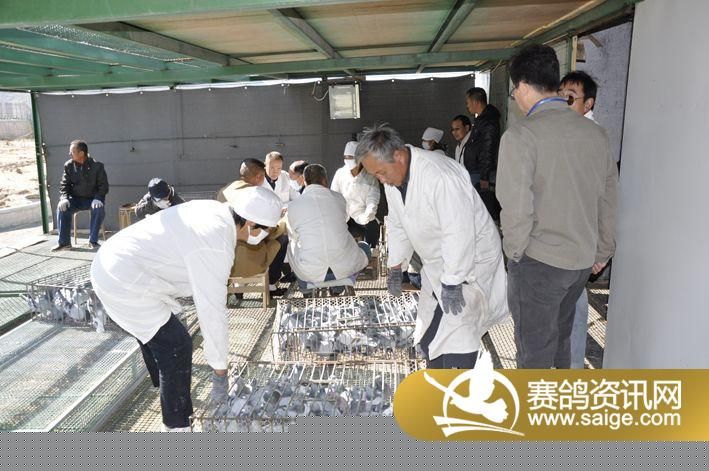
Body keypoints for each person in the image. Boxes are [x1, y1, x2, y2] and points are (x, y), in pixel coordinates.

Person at [90, 186, 282, 432]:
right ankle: (176, 427)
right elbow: (212, 311)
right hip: (122, 278)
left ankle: (165, 385)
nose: (262, 237)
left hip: (117, 262)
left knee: (161, 338)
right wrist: (220, 372)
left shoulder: (215, 211)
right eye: (264, 231)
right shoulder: (215, 242)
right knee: (175, 345)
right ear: (251, 223)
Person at [497, 44, 618, 369]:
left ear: (523, 86)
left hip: (539, 263)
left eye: (514, 90)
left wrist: (515, 255)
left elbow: (516, 208)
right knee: (563, 343)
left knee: (534, 355)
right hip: (580, 262)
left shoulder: (521, 136)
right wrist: (602, 251)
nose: (515, 97)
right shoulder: (596, 135)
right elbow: (608, 198)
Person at [356, 124, 508, 369]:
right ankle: (438, 377)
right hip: (438, 263)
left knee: (458, 330)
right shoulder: (393, 180)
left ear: (398, 156)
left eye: (381, 173)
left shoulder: (440, 175)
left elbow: (458, 230)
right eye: (376, 175)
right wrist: (396, 266)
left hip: (470, 262)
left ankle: (457, 383)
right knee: (430, 335)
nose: (381, 179)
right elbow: (397, 223)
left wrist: (454, 280)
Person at [558, 70, 601, 369]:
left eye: (570, 98)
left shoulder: (592, 139)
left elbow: (600, 198)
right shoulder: (564, 133)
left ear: (588, 104)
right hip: (561, 238)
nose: (563, 103)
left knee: (573, 308)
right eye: (559, 96)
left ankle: (571, 373)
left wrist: (601, 249)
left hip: (578, 240)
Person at [286, 164, 370, 292]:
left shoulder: (293, 205)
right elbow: (344, 220)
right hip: (345, 267)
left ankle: (306, 290)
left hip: (311, 272)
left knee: (291, 245)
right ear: (325, 180)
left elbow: (293, 235)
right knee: (364, 247)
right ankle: (338, 288)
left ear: (305, 181)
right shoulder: (339, 198)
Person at [217, 159, 288, 296]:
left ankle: (237, 286)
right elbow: (267, 231)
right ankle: (271, 285)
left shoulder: (223, 191)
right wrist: (281, 220)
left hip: (224, 262)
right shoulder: (254, 195)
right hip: (249, 263)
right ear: (259, 177)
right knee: (282, 237)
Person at [53, 140, 109, 251]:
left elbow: (103, 186)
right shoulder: (69, 165)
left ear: (81, 153)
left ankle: (93, 241)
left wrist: (98, 198)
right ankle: (64, 243)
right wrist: (64, 198)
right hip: (75, 200)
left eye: (72, 152)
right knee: (62, 208)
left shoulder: (97, 166)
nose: (69, 154)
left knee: (99, 209)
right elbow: (64, 185)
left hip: (92, 200)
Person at [331, 141, 381, 249]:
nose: (347, 160)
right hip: (344, 215)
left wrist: (369, 213)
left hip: (362, 215)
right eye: (345, 157)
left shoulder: (370, 176)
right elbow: (334, 196)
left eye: (350, 157)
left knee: (372, 228)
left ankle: (369, 252)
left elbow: (373, 198)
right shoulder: (340, 174)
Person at [465, 87, 502, 221]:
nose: (467, 106)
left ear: (476, 102)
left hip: (481, 173)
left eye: (468, 102)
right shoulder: (482, 120)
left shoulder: (488, 121)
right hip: (477, 171)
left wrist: (484, 177)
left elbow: (488, 149)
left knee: (485, 210)